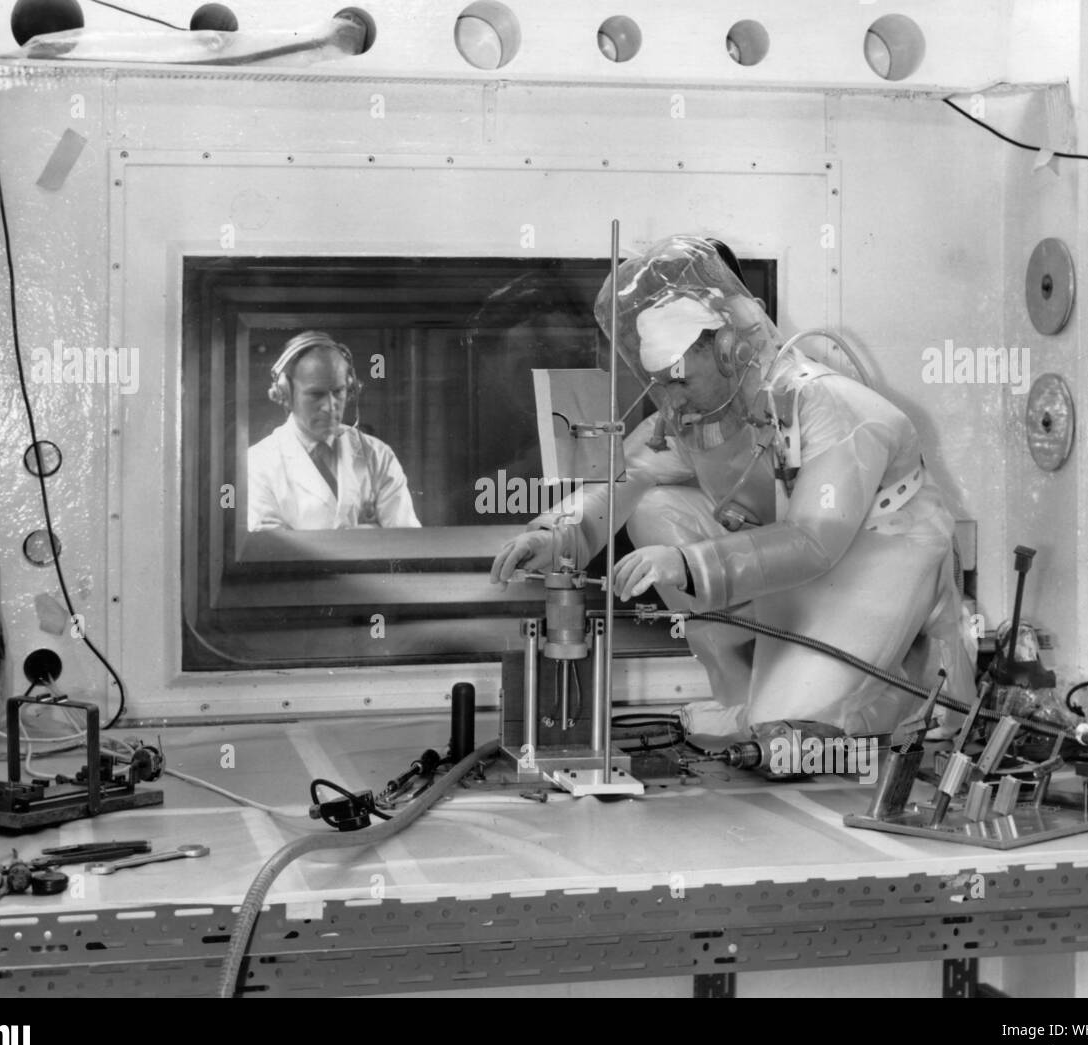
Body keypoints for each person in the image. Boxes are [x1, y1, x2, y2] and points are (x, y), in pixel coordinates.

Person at [489, 236, 975, 742]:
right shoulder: (697, 416)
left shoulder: (828, 406)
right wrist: (557, 536)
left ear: (729, 349)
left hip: (877, 550)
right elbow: (620, 481)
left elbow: (813, 541)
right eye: (660, 384)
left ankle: (910, 689)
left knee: (790, 736)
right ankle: (745, 696)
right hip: (789, 553)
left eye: (679, 381)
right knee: (655, 506)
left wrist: (688, 565)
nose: (670, 402)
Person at [248, 331, 421, 530]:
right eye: (316, 394)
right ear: (285, 394)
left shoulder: (378, 455)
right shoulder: (258, 464)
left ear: (351, 388)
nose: (330, 406)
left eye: (338, 392)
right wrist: (370, 532)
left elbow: (406, 541)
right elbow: (270, 551)